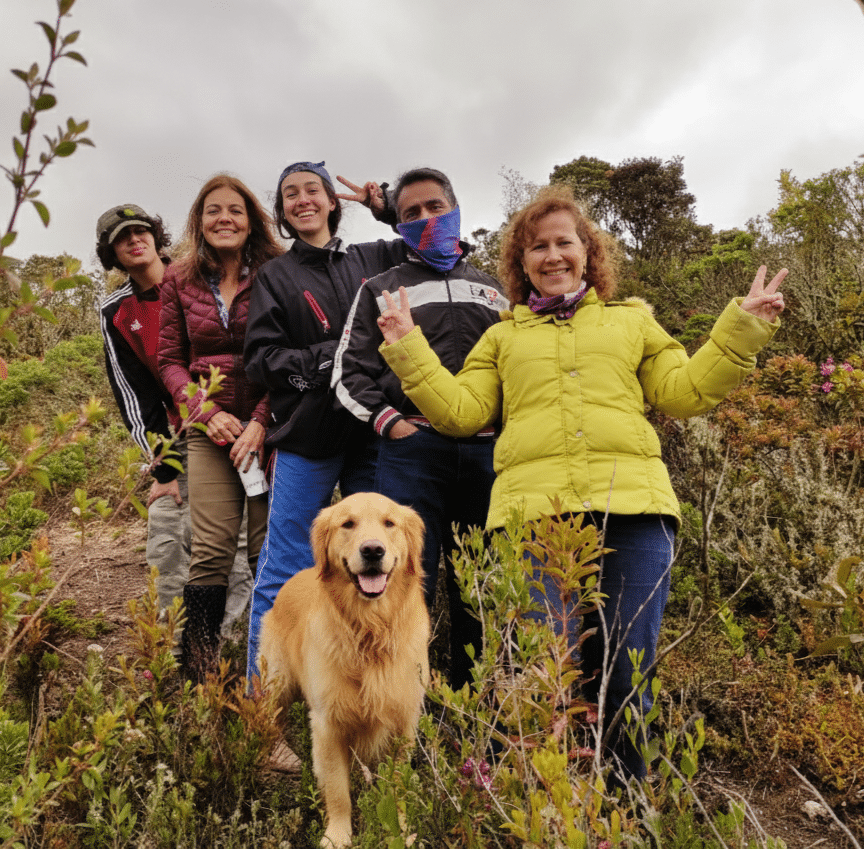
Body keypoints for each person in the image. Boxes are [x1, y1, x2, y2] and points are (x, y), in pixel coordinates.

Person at [375, 184, 787, 782]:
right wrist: (407, 347)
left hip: (635, 512)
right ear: (521, 264)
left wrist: (740, 329)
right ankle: (550, 805)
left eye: (564, 242)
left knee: (626, 668)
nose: (552, 256)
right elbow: (460, 414)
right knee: (546, 670)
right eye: (536, 247)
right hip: (534, 517)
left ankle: (626, 801)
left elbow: (685, 392)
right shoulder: (502, 336)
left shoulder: (634, 322)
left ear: (588, 253)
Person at [331, 167, 509, 689]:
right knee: (407, 581)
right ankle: (404, 702)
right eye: (411, 213)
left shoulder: (496, 290)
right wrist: (388, 424)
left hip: (487, 456)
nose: (426, 219)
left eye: (435, 207)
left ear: (455, 209)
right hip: (412, 455)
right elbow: (348, 372)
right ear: (398, 224)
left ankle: (477, 700)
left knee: (480, 581)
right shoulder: (380, 288)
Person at [243, 160, 409, 682]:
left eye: (312, 190)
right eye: (290, 194)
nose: (302, 200)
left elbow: (437, 242)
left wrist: (388, 211)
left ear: (333, 201)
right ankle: (261, 700)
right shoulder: (274, 276)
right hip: (308, 437)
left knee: (380, 562)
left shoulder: (375, 258)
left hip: (373, 434)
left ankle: (372, 690)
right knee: (286, 563)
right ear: (283, 211)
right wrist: (331, 358)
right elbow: (261, 361)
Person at [96, 204, 253, 636]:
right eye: (121, 238)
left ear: (156, 234)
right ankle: (170, 640)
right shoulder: (117, 311)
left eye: (141, 230)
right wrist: (162, 467)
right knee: (166, 532)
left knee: (230, 540)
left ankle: (230, 640)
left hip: (239, 425)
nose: (134, 240)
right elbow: (134, 394)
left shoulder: (197, 276)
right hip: (182, 435)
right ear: (112, 253)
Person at [157, 175, 282, 678]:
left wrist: (258, 421)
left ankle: (271, 671)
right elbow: (169, 361)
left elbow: (290, 356)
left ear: (250, 218)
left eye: (235, 209)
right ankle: (199, 678)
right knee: (208, 551)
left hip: (269, 428)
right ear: (199, 220)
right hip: (208, 431)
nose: (224, 218)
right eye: (213, 210)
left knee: (264, 549)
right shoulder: (179, 278)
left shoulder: (277, 272)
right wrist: (207, 414)